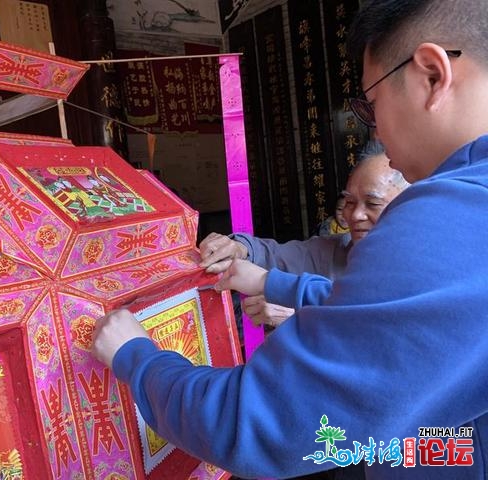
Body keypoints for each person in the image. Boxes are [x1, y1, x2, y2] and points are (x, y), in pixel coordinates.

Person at [91, 1, 488, 478]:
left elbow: (262, 423)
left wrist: (136, 357)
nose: (375, 127)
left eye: (371, 103)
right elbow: (412, 314)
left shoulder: (447, 215)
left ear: (431, 74)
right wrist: (272, 282)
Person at [199, 141, 408, 328]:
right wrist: (240, 248)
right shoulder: (331, 251)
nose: (356, 215)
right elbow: (275, 255)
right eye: (350, 202)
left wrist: (303, 319)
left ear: (411, 205)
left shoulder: (425, 272)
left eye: (372, 204)